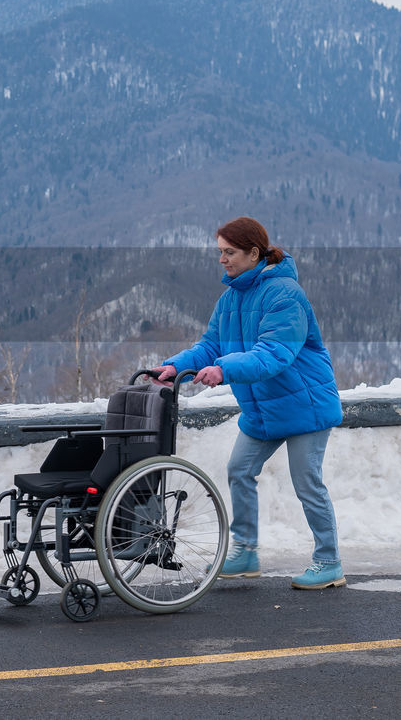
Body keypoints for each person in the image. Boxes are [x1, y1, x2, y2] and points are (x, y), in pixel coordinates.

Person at [152, 217, 345, 590]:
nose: (222, 260)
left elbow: (274, 354)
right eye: (220, 252)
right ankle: (245, 552)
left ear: (253, 253)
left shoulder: (285, 294)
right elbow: (210, 345)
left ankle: (328, 561)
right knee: (239, 470)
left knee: (307, 484)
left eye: (230, 252)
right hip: (262, 409)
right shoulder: (230, 299)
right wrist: (176, 365)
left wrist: (222, 370)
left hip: (305, 406)